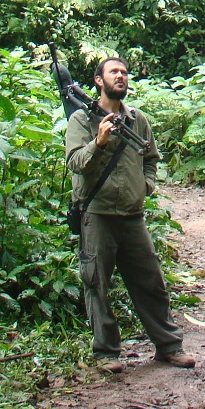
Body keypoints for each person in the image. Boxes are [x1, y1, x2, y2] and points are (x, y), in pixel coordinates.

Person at [65, 56, 195, 373]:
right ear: (99, 80)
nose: (121, 77)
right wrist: (99, 141)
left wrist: (146, 185)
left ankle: (168, 346)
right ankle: (106, 353)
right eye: (114, 72)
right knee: (97, 284)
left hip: (132, 215)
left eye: (124, 72)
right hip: (97, 214)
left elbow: (151, 158)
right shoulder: (82, 120)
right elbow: (75, 162)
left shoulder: (137, 120)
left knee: (151, 282)